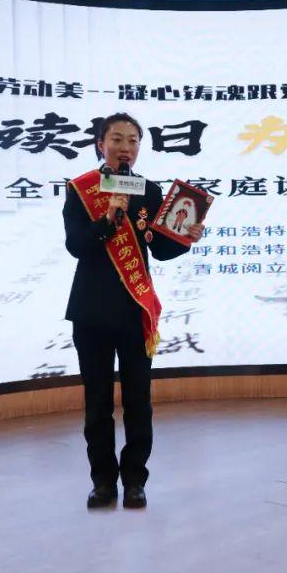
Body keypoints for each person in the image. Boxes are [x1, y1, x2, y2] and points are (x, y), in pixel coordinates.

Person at [62, 112, 204, 509]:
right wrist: (108, 219)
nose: (125, 147)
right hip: (91, 312)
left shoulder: (149, 190)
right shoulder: (80, 189)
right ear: (100, 144)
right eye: (117, 139)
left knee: (139, 401)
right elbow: (77, 246)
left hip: (135, 311)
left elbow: (161, 249)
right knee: (97, 403)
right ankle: (102, 482)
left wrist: (186, 238)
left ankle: (135, 480)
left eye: (133, 140)